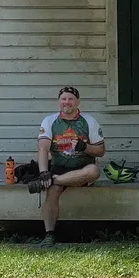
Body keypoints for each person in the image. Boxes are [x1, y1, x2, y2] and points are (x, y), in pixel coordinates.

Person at [30, 85, 105, 248]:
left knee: (94, 171)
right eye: (63, 98)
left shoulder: (89, 121)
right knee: (52, 193)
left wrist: (85, 147)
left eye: (70, 98)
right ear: (58, 102)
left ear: (77, 102)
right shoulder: (50, 121)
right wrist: (43, 172)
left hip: (83, 169)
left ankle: (53, 180)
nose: (67, 102)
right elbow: (42, 147)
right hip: (59, 167)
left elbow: (100, 151)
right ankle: (49, 235)